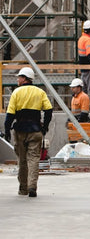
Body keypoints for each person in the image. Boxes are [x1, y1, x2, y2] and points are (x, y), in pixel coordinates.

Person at [4, 67, 53, 197]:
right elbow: (49, 110)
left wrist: (7, 129)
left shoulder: (16, 92)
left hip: (20, 131)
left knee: (22, 160)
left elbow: (10, 114)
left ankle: (23, 188)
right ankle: (32, 186)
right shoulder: (40, 92)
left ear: (25, 78)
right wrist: (45, 127)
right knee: (33, 159)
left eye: (19, 77)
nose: (17, 80)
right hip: (36, 130)